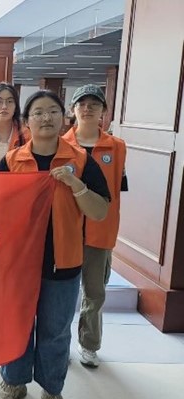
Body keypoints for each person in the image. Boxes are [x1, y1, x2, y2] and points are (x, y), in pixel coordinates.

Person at [0, 90, 111, 399]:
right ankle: (13, 381)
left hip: (64, 263)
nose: (46, 118)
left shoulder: (81, 161)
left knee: (56, 332)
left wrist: (77, 186)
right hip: (19, 264)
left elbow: (100, 211)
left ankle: (52, 389)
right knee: (16, 327)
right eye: (38, 112)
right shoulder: (12, 161)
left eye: (52, 112)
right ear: (26, 121)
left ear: (63, 118)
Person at [62, 84, 128, 368]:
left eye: (94, 104)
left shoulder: (117, 147)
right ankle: (59, 343)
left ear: (104, 111)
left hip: (100, 231)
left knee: (95, 292)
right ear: (72, 110)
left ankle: (89, 344)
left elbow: (116, 189)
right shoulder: (61, 145)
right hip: (66, 229)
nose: (87, 109)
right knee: (62, 293)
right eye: (82, 104)